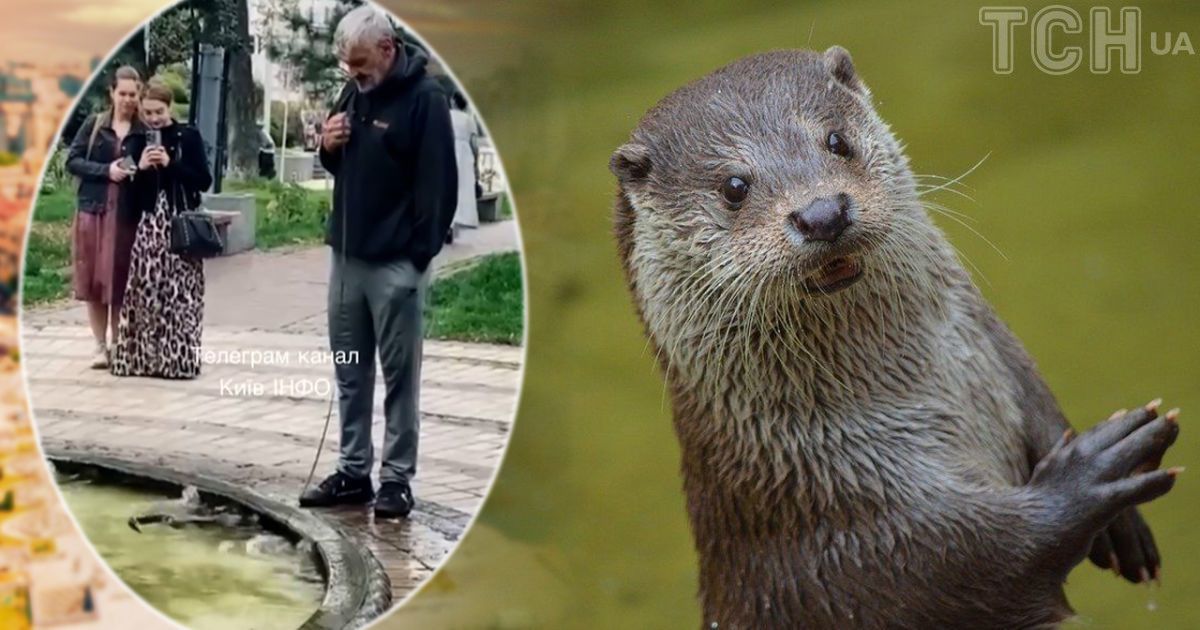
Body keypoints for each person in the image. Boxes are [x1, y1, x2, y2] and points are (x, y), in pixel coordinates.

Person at [298, 6, 457, 519]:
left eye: (362, 64)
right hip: (347, 256)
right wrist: (327, 146)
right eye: (348, 65)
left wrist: (418, 256)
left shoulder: (424, 99)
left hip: (395, 264)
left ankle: (395, 479)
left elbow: (439, 187)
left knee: (399, 375)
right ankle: (352, 471)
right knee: (350, 369)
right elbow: (341, 161)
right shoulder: (354, 91)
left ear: (388, 50)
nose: (354, 75)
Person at [109, 81, 212, 379]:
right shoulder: (138, 138)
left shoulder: (188, 136)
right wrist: (139, 166)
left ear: (170, 108)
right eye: (148, 112)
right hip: (149, 224)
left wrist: (170, 164)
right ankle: (142, 358)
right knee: (146, 289)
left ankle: (177, 360)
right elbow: (122, 174)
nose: (153, 118)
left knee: (181, 295)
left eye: (159, 111)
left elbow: (203, 180)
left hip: (179, 224)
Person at [66, 66, 146, 369]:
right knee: (95, 282)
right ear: (112, 93)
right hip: (94, 213)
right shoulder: (95, 124)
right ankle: (99, 346)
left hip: (127, 216)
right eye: (122, 93)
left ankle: (119, 343)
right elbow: (72, 160)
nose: (127, 99)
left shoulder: (143, 130)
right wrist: (106, 171)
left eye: (132, 94)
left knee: (121, 281)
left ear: (139, 94)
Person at [450, 91, 480, 231]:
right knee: (463, 185)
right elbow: (474, 142)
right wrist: (476, 159)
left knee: (450, 186)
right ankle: (462, 217)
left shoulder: (447, 115)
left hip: (449, 149)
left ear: (454, 102)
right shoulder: (469, 119)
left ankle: (449, 220)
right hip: (465, 151)